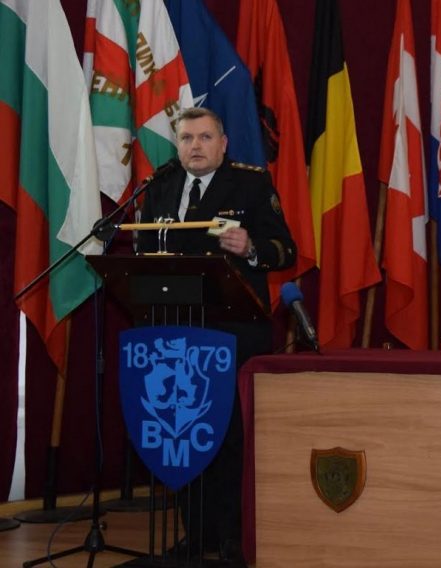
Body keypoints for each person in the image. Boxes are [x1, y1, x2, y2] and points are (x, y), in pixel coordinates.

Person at [137, 107, 297, 565]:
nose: (196, 146)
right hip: (175, 335)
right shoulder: (160, 186)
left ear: (223, 144)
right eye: (187, 138)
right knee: (182, 436)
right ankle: (196, 533)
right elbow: (145, 251)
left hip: (233, 333)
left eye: (205, 137)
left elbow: (285, 251)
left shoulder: (250, 185)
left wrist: (251, 247)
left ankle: (231, 537)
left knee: (227, 436)